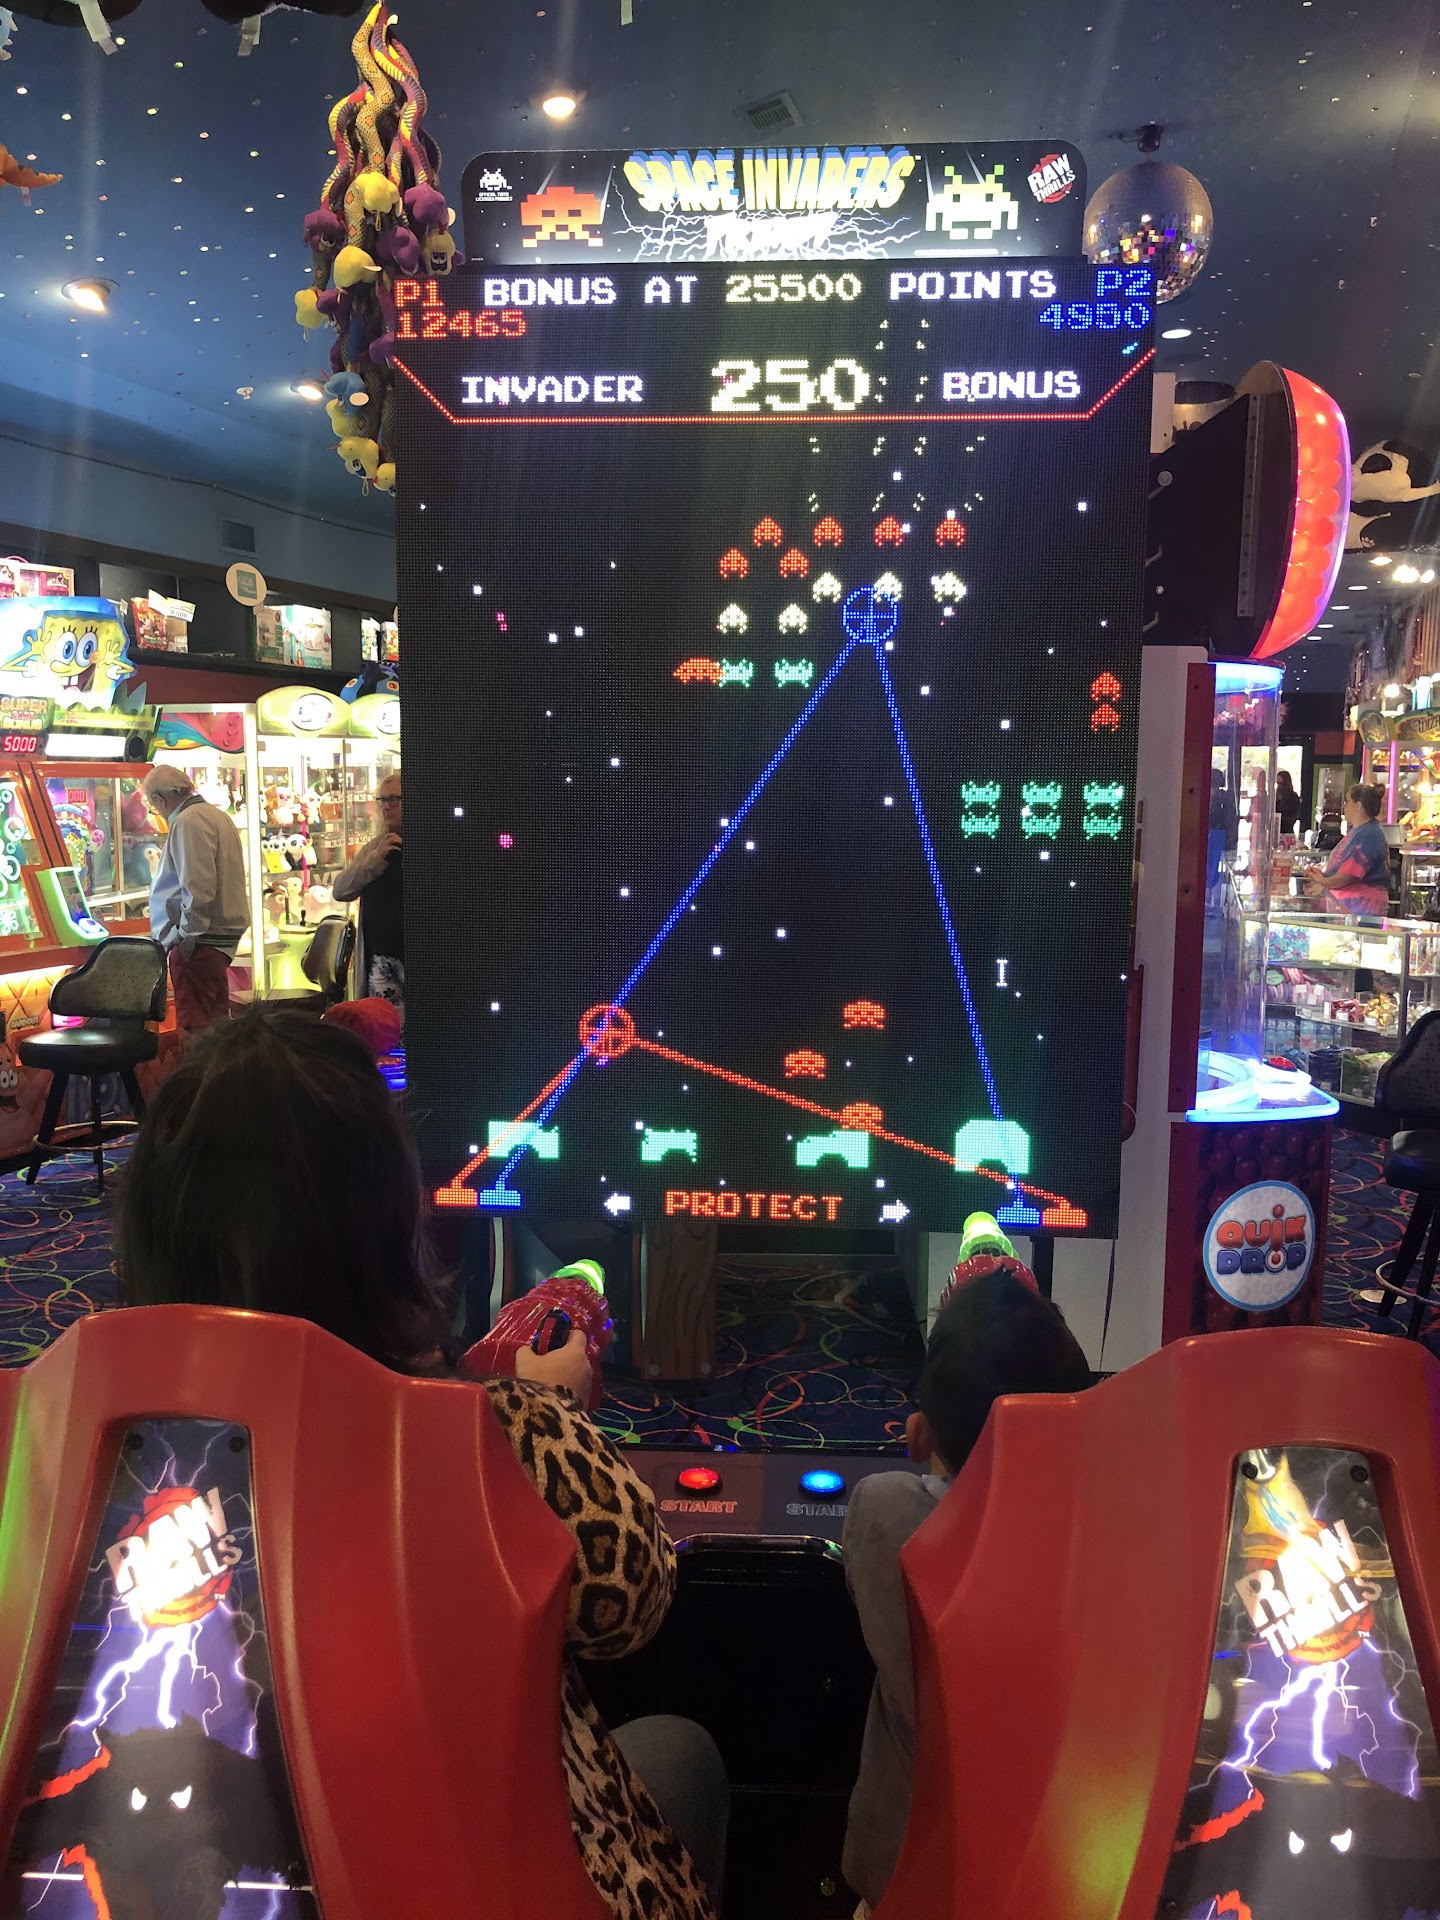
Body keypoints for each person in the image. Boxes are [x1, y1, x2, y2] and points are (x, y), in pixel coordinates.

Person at [115, 1007, 726, 1920]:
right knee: (682, 1753)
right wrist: (545, 1411)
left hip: (217, 1869)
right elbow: (630, 1603)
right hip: (493, 1872)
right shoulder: (487, 1432)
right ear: (385, 1227)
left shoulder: (91, 1454)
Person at [840, 1261, 1093, 1918]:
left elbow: (910, 1514)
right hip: (1075, 1866)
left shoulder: (886, 1514)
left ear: (923, 1430)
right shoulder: (1109, 1536)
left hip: (913, 1872)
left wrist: (929, 1456)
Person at [141, 765, 251, 1035]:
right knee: (217, 1025)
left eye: (154, 808)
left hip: (201, 939)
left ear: (159, 799)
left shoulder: (188, 821)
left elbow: (197, 887)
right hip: (217, 936)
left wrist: (185, 937)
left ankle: (200, 1066)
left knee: (196, 1028)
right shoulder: (216, 815)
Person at [332, 771, 404, 1018]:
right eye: (382, 800)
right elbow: (341, 890)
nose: (386, 807)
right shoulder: (376, 847)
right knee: (384, 1026)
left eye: (393, 799)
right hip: (381, 961)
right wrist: (375, 860)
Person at [1304, 781, 1390, 917]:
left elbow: (1347, 876)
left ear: (1358, 805)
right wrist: (1322, 876)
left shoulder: (1368, 834)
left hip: (1362, 909)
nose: (1344, 806)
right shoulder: (1361, 831)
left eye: (1347, 801)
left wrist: (1323, 881)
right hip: (1350, 908)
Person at [1275, 768, 1302, 837]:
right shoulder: (1274, 797)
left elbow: (1292, 818)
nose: (1279, 786)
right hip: (1274, 831)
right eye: (1277, 783)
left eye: (1281, 784)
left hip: (1287, 832)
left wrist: (1278, 818)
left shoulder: (1293, 798)